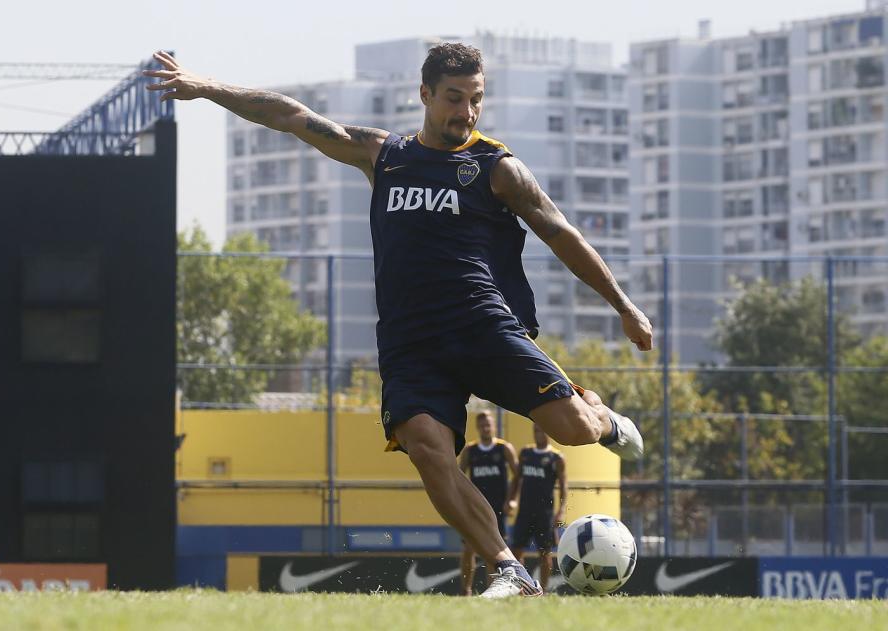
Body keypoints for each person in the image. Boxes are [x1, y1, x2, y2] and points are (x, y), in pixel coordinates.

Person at [144, 42, 651, 598]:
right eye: (454, 99)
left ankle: (602, 416)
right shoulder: (384, 155)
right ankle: (509, 570)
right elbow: (291, 116)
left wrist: (624, 307)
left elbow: (562, 235)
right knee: (426, 446)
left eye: (476, 100)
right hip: (411, 346)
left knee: (573, 430)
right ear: (425, 94)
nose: (466, 112)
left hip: (483, 327)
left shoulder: (496, 167)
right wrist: (207, 86)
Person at [457, 411, 517, 595]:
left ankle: (491, 591)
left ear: (494, 426)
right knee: (469, 549)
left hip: (498, 508)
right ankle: (465, 591)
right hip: (476, 509)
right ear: (477, 427)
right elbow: (458, 476)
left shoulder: (504, 448)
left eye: (488, 425)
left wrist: (513, 500)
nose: (486, 428)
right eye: (482, 425)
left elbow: (518, 475)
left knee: (495, 551)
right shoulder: (470, 450)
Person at [508, 423, 566, 593]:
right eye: (535, 431)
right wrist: (511, 499)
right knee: (517, 550)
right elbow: (517, 479)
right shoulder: (526, 453)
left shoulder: (557, 457)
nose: (538, 434)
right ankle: (521, 589)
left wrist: (561, 511)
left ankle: (544, 590)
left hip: (545, 514)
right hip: (524, 511)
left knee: (545, 552)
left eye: (541, 430)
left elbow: (564, 486)